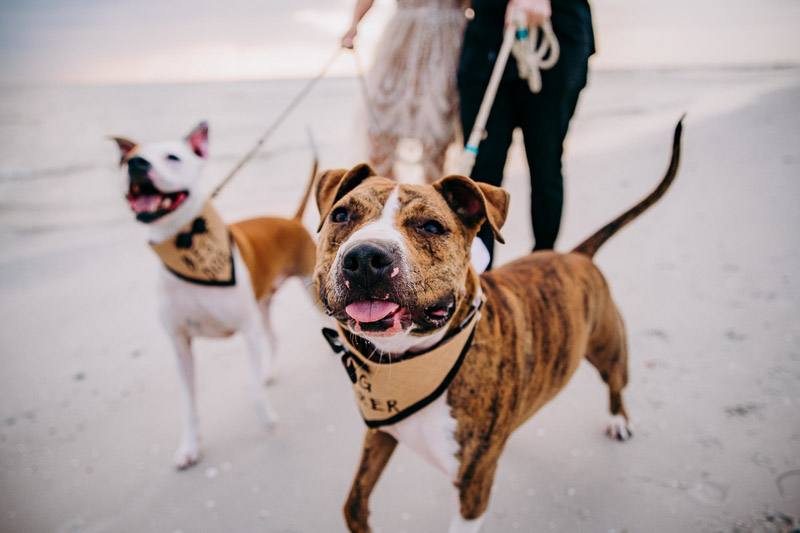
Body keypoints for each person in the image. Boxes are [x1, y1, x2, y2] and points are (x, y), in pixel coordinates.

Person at [458, 0, 594, 265]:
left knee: (546, 165)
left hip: (555, 33)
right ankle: (480, 278)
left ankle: (542, 269)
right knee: (482, 173)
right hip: (486, 38)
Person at [342, 0, 467, 183]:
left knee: (437, 132)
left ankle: (432, 202)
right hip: (402, 39)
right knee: (380, 126)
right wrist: (353, 26)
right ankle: (383, 196)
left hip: (449, 42)